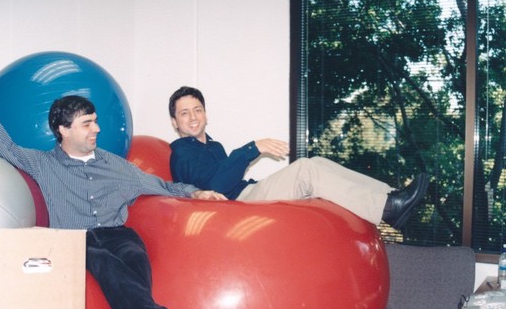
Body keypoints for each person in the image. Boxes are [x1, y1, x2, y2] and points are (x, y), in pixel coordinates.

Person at [0, 60, 227, 309]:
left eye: (96, 121)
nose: (97, 129)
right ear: (63, 129)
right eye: (87, 123)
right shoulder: (43, 164)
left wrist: (197, 192)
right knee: (105, 263)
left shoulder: (116, 166)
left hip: (118, 234)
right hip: (77, 239)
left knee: (135, 261)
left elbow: (161, 186)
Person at [168, 86, 429, 229]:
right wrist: (251, 149)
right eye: (184, 113)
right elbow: (214, 188)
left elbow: (227, 177)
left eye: (197, 110)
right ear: (174, 122)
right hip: (234, 210)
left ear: (206, 114)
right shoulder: (180, 151)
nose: (193, 117)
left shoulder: (215, 146)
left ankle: (389, 198)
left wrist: (244, 158)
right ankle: (387, 208)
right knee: (304, 169)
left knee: (317, 163)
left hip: (248, 193)